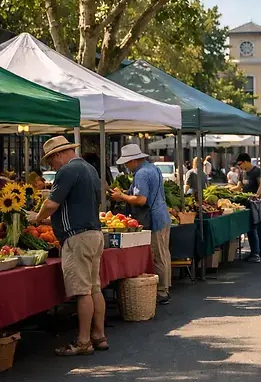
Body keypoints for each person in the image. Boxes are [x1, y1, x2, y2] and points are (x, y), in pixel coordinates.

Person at [27, 137, 105, 356]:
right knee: (94, 288)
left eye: (51, 162)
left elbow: (51, 203)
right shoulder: (89, 169)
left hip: (77, 237)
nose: (52, 167)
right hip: (95, 233)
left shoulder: (67, 171)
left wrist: (37, 218)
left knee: (82, 292)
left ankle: (83, 342)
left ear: (58, 155)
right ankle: (98, 336)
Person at [111, 144, 172, 305]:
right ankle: (165, 288)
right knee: (164, 254)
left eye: (126, 162)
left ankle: (161, 291)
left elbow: (141, 200)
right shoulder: (153, 169)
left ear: (133, 160)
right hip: (162, 215)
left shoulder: (142, 174)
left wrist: (122, 197)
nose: (125, 166)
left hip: (153, 219)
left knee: (158, 255)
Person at [236, 152, 261, 263]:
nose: (239, 166)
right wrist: (229, 190)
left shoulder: (257, 171)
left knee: (258, 229)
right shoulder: (242, 173)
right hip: (246, 204)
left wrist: (256, 196)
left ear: (246, 161)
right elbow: (239, 186)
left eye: (240, 164)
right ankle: (256, 252)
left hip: (256, 204)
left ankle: (260, 253)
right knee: (250, 228)